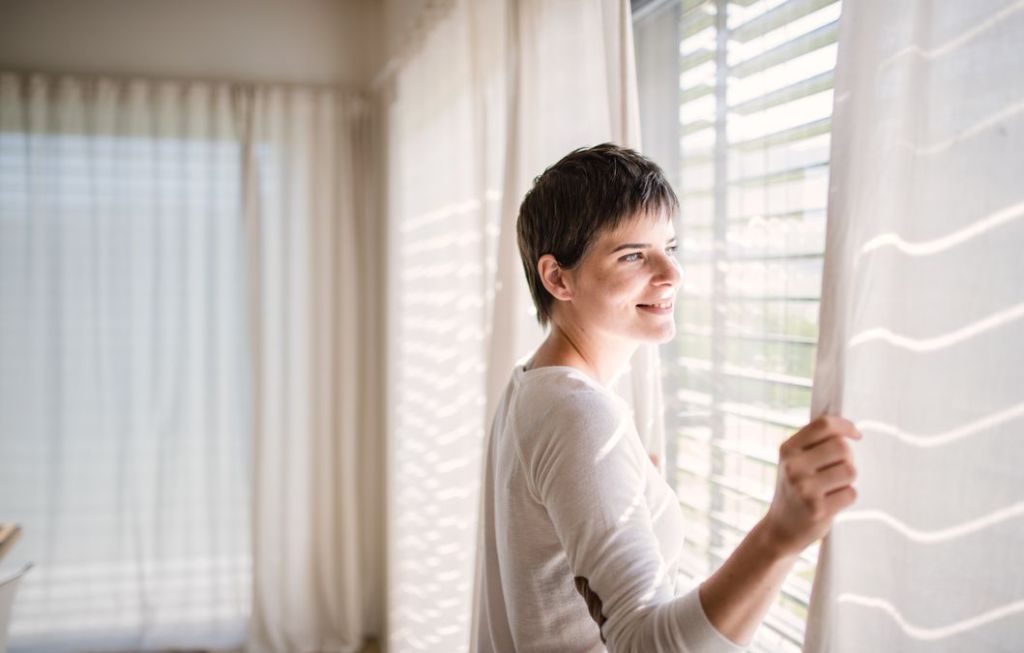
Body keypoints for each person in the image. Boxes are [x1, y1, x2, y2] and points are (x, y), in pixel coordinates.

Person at [474, 144, 860, 652]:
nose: (671, 273)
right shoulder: (577, 415)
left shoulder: (531, 386)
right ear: (557, 278)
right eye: (633, 254)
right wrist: (781, 535)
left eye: (670, 248)